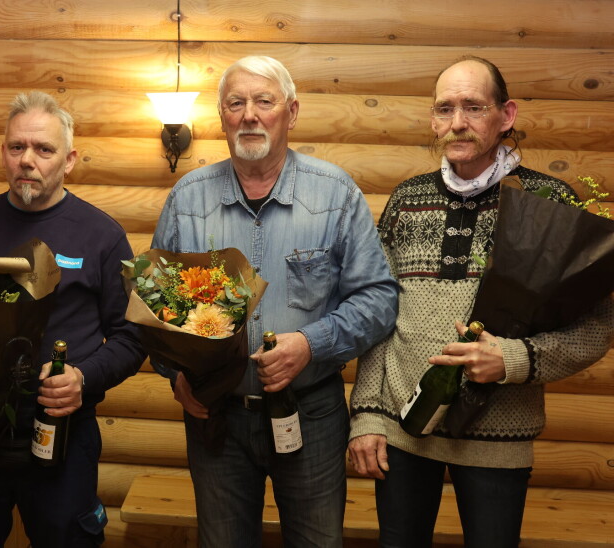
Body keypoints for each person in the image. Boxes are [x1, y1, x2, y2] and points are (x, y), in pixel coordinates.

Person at [348, 55, 614, 547]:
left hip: (499, 438)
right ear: (433, 120)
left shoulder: (548, 200)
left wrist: (513, 359)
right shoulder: (407, 200)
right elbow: (378, 312)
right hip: (404, 431)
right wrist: (366, 414)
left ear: (506, 115)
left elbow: (597, 326)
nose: (458, 122)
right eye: (445, 109)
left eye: (473, 107)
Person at [151, 56, 399, 547]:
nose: (249, 114)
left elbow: (378, 299)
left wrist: (310, 343)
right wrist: (173, 373)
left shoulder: (335, 194)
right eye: (236, 103)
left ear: (291, 112)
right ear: (222, 116)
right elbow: (156, 309)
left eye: (264, 101)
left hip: (312, 413)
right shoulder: (187, 199)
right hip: (216, 417)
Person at [0, 91, 145, 547]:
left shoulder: (102, 235)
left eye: (44, 149)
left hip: (62, 434)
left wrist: (83, 378)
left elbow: (132, 337)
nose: (27, 160)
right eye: (17, 147)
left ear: (69, 160)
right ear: (3, 152)